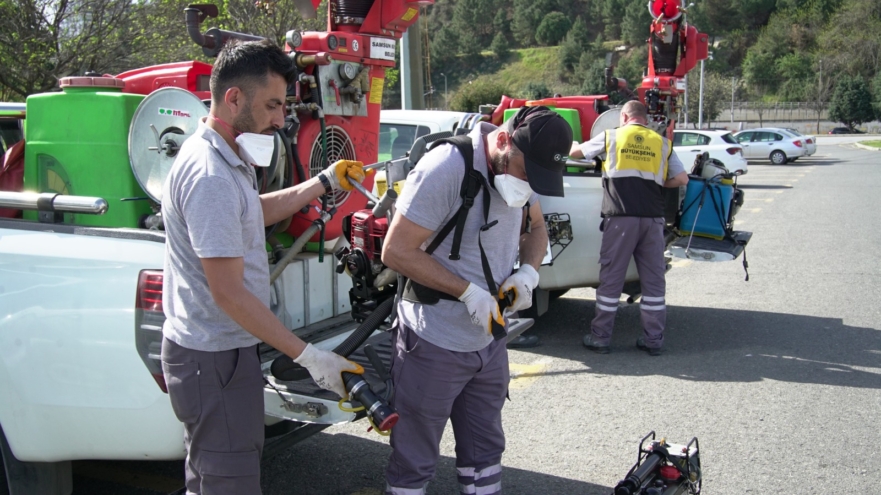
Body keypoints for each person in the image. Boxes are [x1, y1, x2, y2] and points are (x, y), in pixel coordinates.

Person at [160, 39, 367, 495]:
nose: (280, 119)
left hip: (216, 356)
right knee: (229, 483)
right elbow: (229, 293)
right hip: (213, 361)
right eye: (273, 105)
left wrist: (322, 182)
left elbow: (250, 211)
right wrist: (310, 357)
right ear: (234, 98)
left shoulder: (225, 157)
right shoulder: (210, 174)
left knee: (211, 479)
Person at [380, 106, 573, 494]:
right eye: (525, 174)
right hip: (434, 339)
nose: (528, 186)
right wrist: (466, 292)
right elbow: (396, 251)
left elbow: (537, 228)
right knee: (414, 458)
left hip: (489, 340)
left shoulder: (522, 171)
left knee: (485, 451)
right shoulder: (447, 168)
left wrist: (528, 273)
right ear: (502, 140)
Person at [569, 101, 688, 356]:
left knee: (612, 278)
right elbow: (681, 179)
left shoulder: (612, 136)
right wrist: (656, 182)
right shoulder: (661, 143)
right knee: (654, 281)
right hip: (653, 220)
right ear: (644, 119)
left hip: (621, 218)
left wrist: (571, 145)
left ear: (623, 116)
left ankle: (600, 337)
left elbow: (576, 155)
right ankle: (653, 340)